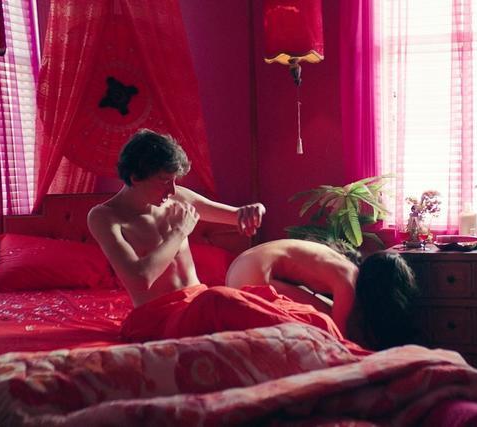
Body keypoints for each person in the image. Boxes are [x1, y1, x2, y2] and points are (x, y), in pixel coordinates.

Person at [89, 129, 361, 353]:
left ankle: (324, 337)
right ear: (135, 177)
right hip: (159, 319)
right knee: (219, 299)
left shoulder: (177, 197)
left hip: (199, 302)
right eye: (164, 181)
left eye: (174, 181)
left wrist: (254, 210)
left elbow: (238, 216)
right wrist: (179, 232)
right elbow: (139, 279)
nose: (172, 190)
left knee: (262, 298)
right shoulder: (105, 217)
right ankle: (329, 345)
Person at [226, 239, 422, 351]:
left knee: (321, 311)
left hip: (240, 267)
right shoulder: (348, 283)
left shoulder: (345, 266)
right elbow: (339, 337)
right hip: (252, 274)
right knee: (326, 323)